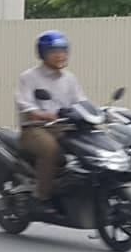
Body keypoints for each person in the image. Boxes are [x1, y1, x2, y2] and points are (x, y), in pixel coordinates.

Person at [16, 31, 86, 207]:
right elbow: (23, 102)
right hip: (35, 129)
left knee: (86, 145)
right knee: (50, 149)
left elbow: (81, 101)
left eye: (63, 50)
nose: (60, 55)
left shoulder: (70, 78)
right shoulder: (29, 77)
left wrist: (98, 112)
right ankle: (42, 197)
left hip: (62, 127)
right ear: (42, 53)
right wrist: (41, 113)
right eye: (54, 51)